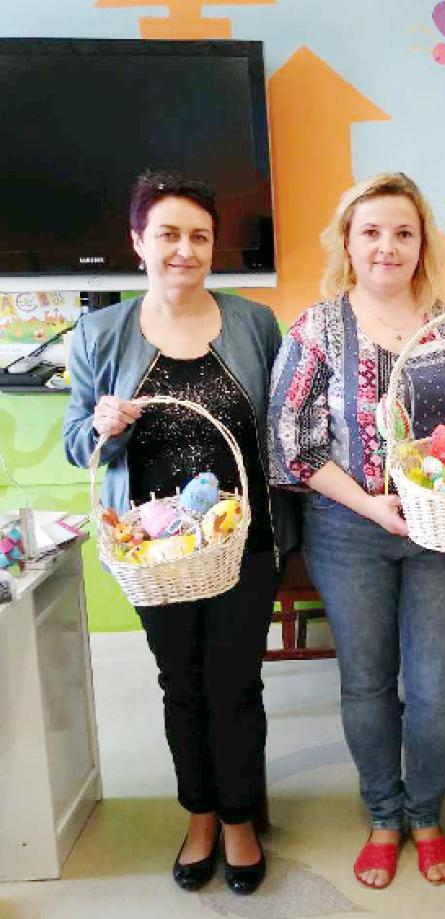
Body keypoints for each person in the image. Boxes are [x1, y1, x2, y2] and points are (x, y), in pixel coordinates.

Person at [267, 172, 445, 889]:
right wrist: (375, 506)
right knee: (368, 680)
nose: (387, 246)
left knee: (435, 687)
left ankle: (425, 813)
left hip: (441, 533)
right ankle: (383, 814)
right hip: (348, 529)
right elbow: (292, 442)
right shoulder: (317, 329)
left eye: (403, 232)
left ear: (422, 243)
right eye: (371, 231)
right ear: (347, 242)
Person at [63, 171, 298, 895]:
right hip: (153, 553)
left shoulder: (255, 324)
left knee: (235, 682)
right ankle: (199, 815)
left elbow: (280, 432)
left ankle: (239, 818)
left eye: (199, 236)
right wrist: (101, 426)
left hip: (241, 544)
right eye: (167, 234)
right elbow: (76, 445)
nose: (185, 250)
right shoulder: (99, 333)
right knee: (180, 683)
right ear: (138, 242)